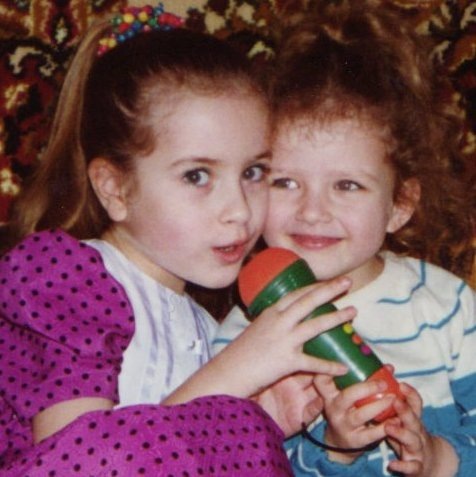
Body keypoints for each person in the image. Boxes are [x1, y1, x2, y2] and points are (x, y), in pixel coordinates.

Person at [0, 4, 358, 476]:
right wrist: (235, 373)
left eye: (254, 172)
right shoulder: (65, 278)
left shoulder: (210, 329)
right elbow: (74, 463)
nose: (239, 210)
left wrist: (268, 417)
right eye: (197, 176)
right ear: (115, 189)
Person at [213, 2, 476, 476]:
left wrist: (440, 458)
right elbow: (230, 462)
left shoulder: (446, 305)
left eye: (348, 185)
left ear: (400, 204)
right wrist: (334, 453)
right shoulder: (245, 336)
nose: (313, 211)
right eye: (285, 182)